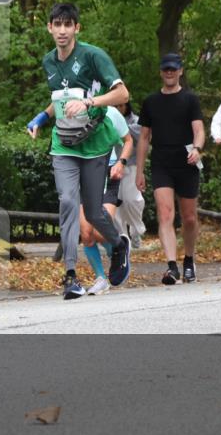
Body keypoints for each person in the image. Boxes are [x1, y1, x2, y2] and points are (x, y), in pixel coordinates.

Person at [26, 3, 132, 300]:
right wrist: (41, 118)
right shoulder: (48, 61)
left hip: (95, 143)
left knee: (95, 212)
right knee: (68, 202)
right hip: (64, 143)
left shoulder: (93, 56)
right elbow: (59, 99)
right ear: (49, 27)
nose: (62, 30)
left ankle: (118, 245)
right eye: (57, 24)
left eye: (67, 25)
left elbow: (123, 94)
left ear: (76, 28)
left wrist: (89, 102)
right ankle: (71, 276)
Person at [135, 53, 205, 285]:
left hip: (186, 163)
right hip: (161, 163)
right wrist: (139, 171)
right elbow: (144, 138)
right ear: (161, 72)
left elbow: (199, 130)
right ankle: (172, 267)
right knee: (165, 214)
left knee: (189, 218)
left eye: (173, 69)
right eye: (166, 69)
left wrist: (197, 149)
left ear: (180, 71)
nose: (169, 73)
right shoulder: (151, 102)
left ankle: (189, 261)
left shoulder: (190, 99)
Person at [79, 105, 134, 295]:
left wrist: (121, 162)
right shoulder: (73, 109)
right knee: (86, 233)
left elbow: (128, 141)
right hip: (84, 172)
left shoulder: (111, 112)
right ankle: (101, 278)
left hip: (108, 170)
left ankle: (118, 252)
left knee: (100, 231)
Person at [113, 101, 147, 247]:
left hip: (131, 165)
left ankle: (137, 230)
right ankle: (123, 238)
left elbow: (140, 136)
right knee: (116, 204)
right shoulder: (107, 119)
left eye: (122, 105)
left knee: (132, 200)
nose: (119, 108)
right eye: (116, 106)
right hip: (112, 166)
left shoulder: (136, 121)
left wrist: (118, 125)